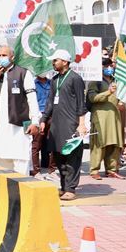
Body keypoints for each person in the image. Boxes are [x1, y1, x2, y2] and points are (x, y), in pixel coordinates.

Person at [0, 46, 40, 175]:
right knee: (1, 164)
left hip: (17, 127)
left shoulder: (23, 73)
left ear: (12, 57)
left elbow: (32, 98)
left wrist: (35, 121)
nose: (1, 58)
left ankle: (22, 193)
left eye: (4, 55)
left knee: (20, 162)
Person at [39, 50, 88, 200]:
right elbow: (49, 102)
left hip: (71, 123)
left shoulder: (75, 78)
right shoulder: (54, 80)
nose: (53, 63)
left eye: (56, 60)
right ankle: (64, 186)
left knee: (72, 155)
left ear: (65, 62)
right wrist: (43, 119)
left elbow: (81, 103)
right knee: (59, 155)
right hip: (56, 124)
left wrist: (81, 124)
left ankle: (71, 189)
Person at [86, 58, 124, 180]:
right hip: (100, 118)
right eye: (106, 65)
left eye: (111, 65)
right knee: (99, 145)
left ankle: (111, 170)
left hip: (114, 118)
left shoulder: (115, 80)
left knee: (114, 145)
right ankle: (94, 170)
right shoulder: (95, 82)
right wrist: (108, 92)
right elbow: (92, 98)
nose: (109, 68)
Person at [31, 71, 54, 177]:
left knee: (52, 142)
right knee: (36, 143)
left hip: (51, 115)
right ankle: (35, 169)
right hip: (38, 115)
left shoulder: (52, 83)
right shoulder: (32, 84)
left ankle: (51, 168)